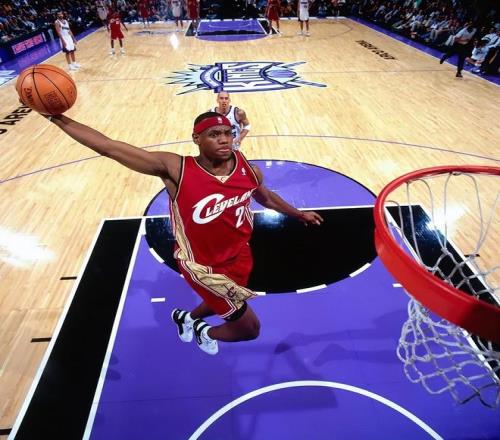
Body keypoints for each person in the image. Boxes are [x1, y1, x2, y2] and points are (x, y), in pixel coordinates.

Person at [41, 111, 323, 355]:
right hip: (203, 267)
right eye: (214, 134)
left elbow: (266, 197)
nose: (224, 139)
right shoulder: (176, 169)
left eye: (228, 133)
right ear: (196, 138)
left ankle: (186, 318)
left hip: (239, 256)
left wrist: (298, 214)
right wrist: (56, 117)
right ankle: (204, 332)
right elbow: (108, 147)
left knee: (225, 301)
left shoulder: (247, 169)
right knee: (249, 329)